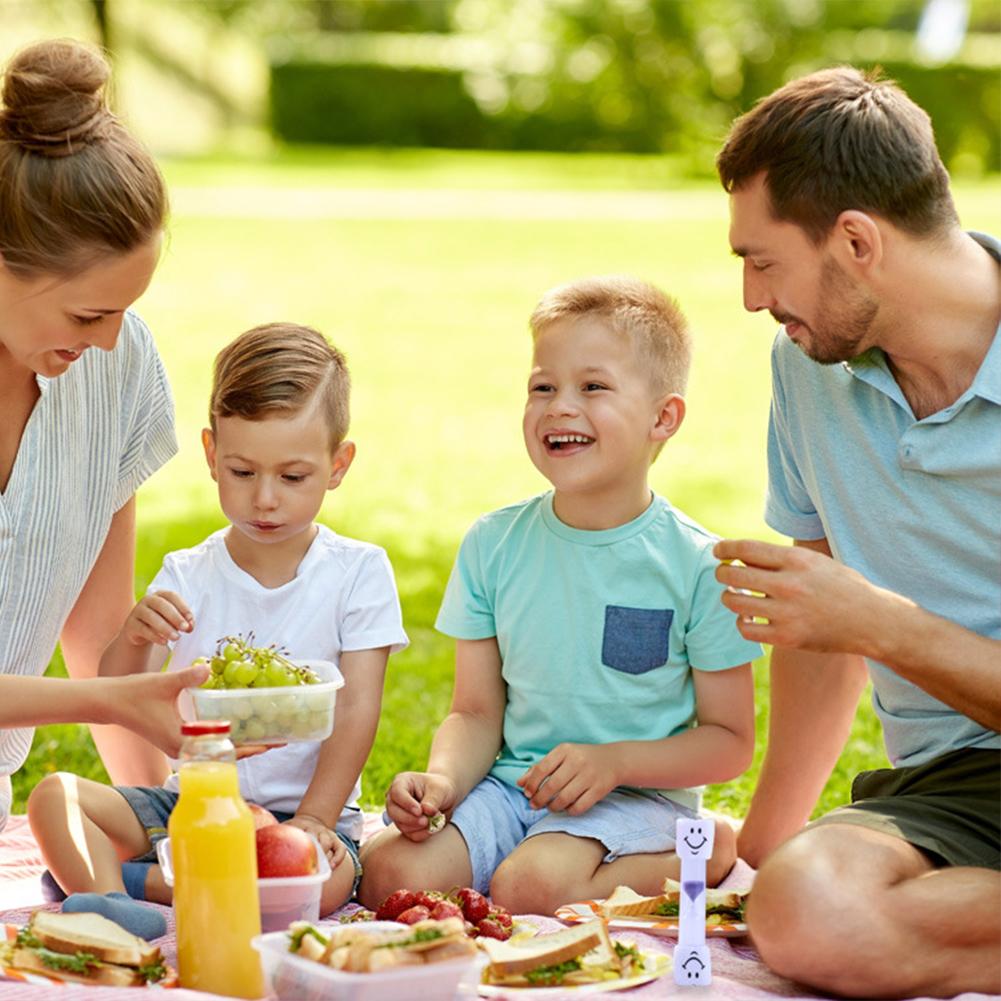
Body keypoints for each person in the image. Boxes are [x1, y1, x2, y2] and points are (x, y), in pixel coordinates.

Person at [713, 67, 1000, 998]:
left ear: (855, 241)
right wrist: (762, 849)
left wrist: (878, 622)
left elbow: (854, 620)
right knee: (804, 905)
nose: (754, 298)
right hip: (960, 789)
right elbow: (817, 625)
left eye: (762, 261)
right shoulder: (806, 372)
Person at [359, 277, 759, 915]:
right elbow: (476, 712)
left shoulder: (697, 565)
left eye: (592, 387)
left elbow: (730, 739)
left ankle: (704, 847)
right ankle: (537, 857)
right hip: (514, 786)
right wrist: (441, 782)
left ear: (664, 417)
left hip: (638, 796)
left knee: (529, 887)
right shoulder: (493, 544)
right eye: (543, 387)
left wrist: (615, 762)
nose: (559, 407)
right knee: (386, 871)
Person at [28, 323, 409, 936]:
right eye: (241, 471)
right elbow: (114, 695)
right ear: (210, 455)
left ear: (338, 466)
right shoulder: (188, 573)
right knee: (55, 797)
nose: (265, 500)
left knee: (319, 884)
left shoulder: (358, 572)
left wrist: (315, 818)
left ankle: (132, 884)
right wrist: (133, 636)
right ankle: (111, 894)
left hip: (302, 815)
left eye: (293, 477)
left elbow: (358, 708)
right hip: (193, 806)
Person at [0, 37, 184, 830]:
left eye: (123, 310)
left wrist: (163, 822)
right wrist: (111, 697)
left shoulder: (115, 367)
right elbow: (107, 690)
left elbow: (99, 632)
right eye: (87, 314)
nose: (109, 341)